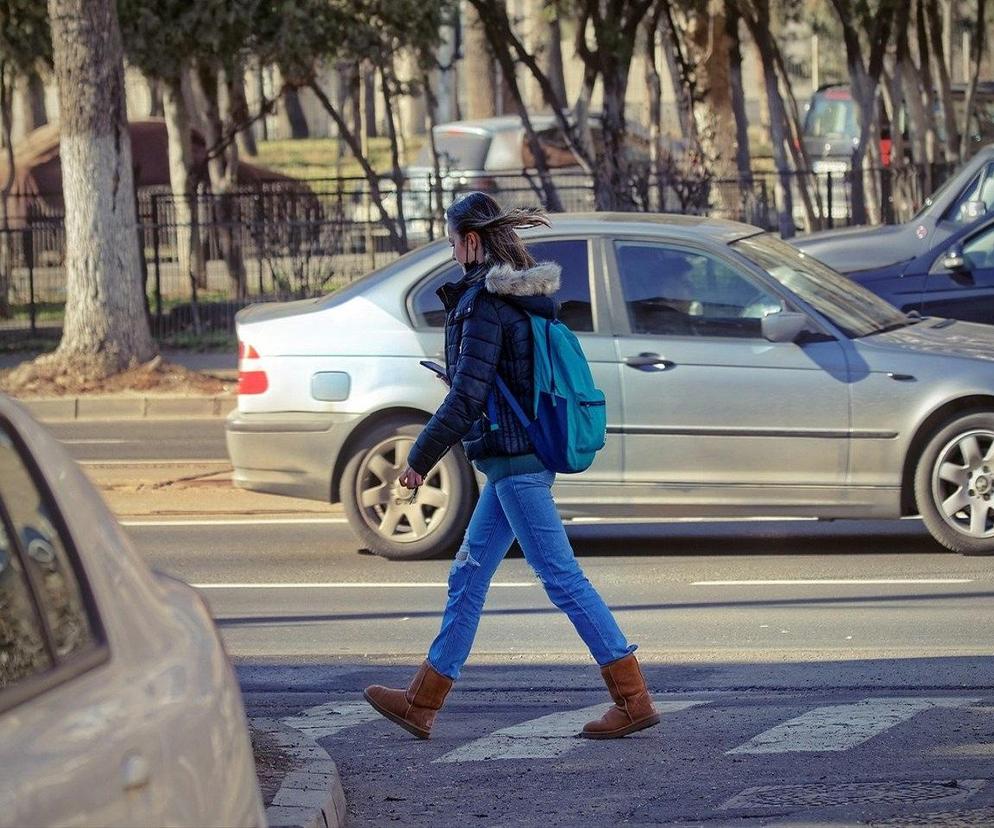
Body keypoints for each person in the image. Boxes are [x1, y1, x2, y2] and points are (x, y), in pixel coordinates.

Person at [363, 192, 659, 740]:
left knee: (559, 577)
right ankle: (422, 702)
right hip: (510, 462)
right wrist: (465, 386)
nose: (451, 252)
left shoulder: (483, 304)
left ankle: (633, 697)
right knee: (469, 572)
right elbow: (497, 383)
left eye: (453, 241)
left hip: (516, 464)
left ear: (471, 241)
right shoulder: (514, 298)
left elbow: (469, 398)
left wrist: (419, 459)